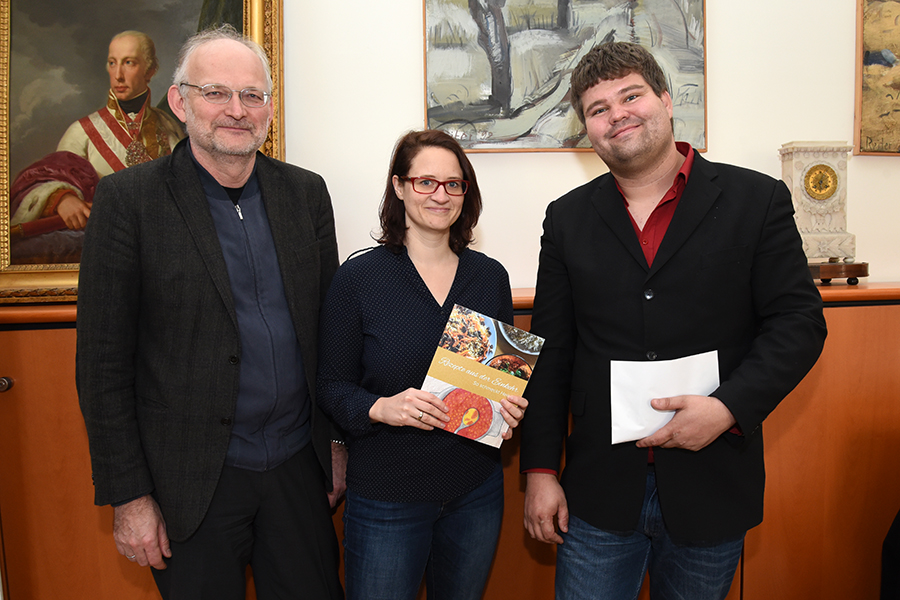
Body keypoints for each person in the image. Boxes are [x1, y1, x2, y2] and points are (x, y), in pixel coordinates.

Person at [520, 41, 827, 600]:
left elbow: (798, 322)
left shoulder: (755, 199)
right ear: (587, 130)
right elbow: (551, 350)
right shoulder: (566, 219)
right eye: (598, 108)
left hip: (713, 482)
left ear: (664, 98)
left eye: (630, 95)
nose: (618, 114)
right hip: (598, 489)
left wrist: (728, 408)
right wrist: (540, 471)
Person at [76, 25, 343, 599]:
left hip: (298, 467)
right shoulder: (128, 202)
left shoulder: (306, 195)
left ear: (268, 108)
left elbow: (330, 337)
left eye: (251, 95)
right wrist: (130, 498)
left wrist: (336, 446)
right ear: (179, 100)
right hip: (190, 483)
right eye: (216, 92)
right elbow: (101, 368)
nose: (236, 110)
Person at [317, 129, 527, 600]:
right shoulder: (360, 277)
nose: (440, 195)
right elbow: (330, 385)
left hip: (474, 489)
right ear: (398, 186)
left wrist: (510, 408)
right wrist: (380, 408)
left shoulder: (489, 277)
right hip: (387, 494)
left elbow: (497, 380)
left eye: (453, 184)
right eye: (426, 182)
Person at [10, 30, 183, 263]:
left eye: (129, 63)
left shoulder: (170, 126)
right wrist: (62, 199)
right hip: (109, 256)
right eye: (113, 63)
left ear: (150, 71)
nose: (118, 75)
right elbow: (46, 179)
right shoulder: (82, 132)